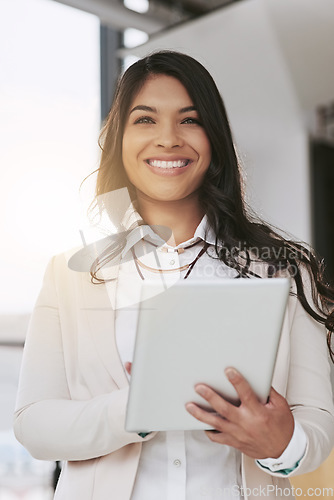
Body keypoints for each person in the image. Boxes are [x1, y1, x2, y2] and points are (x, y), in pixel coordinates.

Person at [14, 51, 334, 500]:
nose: (168, 139)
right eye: (145, 120)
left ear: (214, 138)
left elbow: (317, 424)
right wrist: (135, 408)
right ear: (117, 138)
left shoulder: (282, 269)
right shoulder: (71, 274)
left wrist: (282, 444)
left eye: (190, 120)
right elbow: (34, 424)